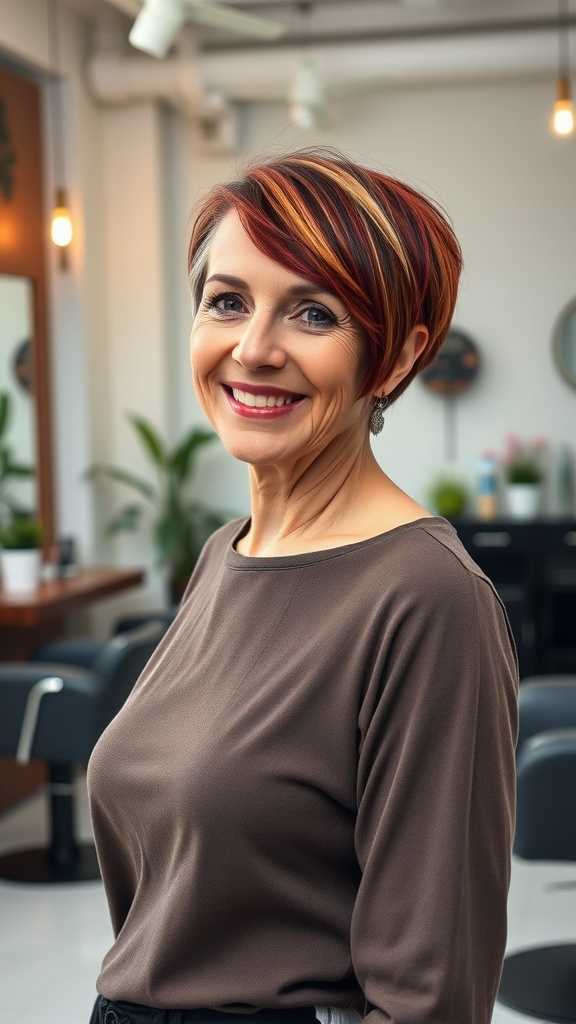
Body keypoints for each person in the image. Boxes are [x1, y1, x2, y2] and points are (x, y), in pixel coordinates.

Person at [87, 149, 518, 1024]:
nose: (253, 349)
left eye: (312, 312)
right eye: (228, 301)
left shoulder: (429, 600)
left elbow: (431, 997)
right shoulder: (226, 553)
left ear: (395, 356)